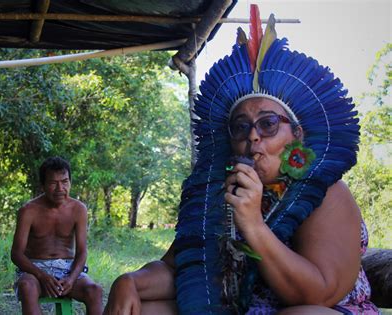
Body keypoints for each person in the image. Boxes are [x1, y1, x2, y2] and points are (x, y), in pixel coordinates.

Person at [104, 5, 378, 315]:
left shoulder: (325, 193)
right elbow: (184, 268)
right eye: (241, 127)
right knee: (144, 307)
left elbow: (318, 294)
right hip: (242, 310)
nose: (253, 137)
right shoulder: (222, 193)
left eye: (268, 124)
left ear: (297, 134)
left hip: (318, 309)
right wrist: (129, 282)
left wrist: (253, 225)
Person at [11, 156, 103, 315]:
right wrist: (42, 276)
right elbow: (16, 254)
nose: (60, 188)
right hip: (35, 269)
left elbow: (82, 252)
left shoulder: (78, 209)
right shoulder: (28, 211)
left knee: (95, 290)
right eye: (53, 183)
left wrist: (72, 278)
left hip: (68, 269)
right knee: (27, 287)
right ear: (43, 185)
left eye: (65, 182)